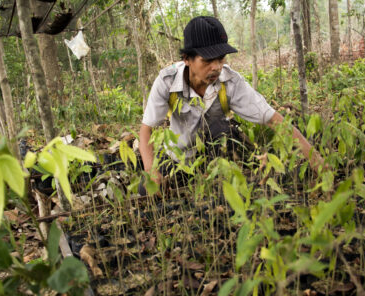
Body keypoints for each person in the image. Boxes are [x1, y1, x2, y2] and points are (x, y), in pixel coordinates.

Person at [139, 16, 324, 193]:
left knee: (223, 129)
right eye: (208, 60)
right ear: (187, 59)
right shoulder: (167, 81)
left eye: (221, 59)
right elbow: (146, 129)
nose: (216, 67)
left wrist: (317, 161)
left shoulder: (231, 82)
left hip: (219, 156)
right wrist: (150, 171)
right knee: (145, 189)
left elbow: (273, 120)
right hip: (178, 159)